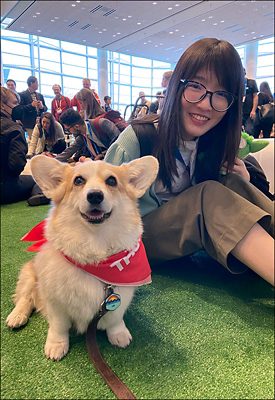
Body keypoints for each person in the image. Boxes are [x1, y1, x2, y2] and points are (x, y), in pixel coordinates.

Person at [105, 38, 274, 286]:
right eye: (196, 86)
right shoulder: (139, 138)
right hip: (136, 243)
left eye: (222, 94)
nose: (206, 104)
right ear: (176, 85)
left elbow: (256, 192)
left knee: (231, 181)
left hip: (185, 242)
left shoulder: (216, 140)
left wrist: (247, 178)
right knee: (208, 194)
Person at [0, 87, 49, 206]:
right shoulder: (14, 129)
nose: (19, 107)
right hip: (4, 189)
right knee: (36, 178)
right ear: (2, 105)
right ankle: (38, 194)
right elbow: (16, 165)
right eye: (15, 103)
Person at [18, 76, 47, 141]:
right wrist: (31, 105)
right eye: (36, 83)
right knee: (33, 142)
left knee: (42, 141)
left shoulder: (40, 95)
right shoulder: (22, 95)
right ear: (31, 83)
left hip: (41, 122)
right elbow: (20, 109)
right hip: (29, 123)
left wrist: (42, 107)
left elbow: (45, 108)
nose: (38, 84)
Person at [242, 68, 258, 135]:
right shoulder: (237, 84)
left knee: (249, 131)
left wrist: (253, 110)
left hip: (249, 112)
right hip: (239, 112)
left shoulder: (251, 82)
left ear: (244, 73)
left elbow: (255, 96)